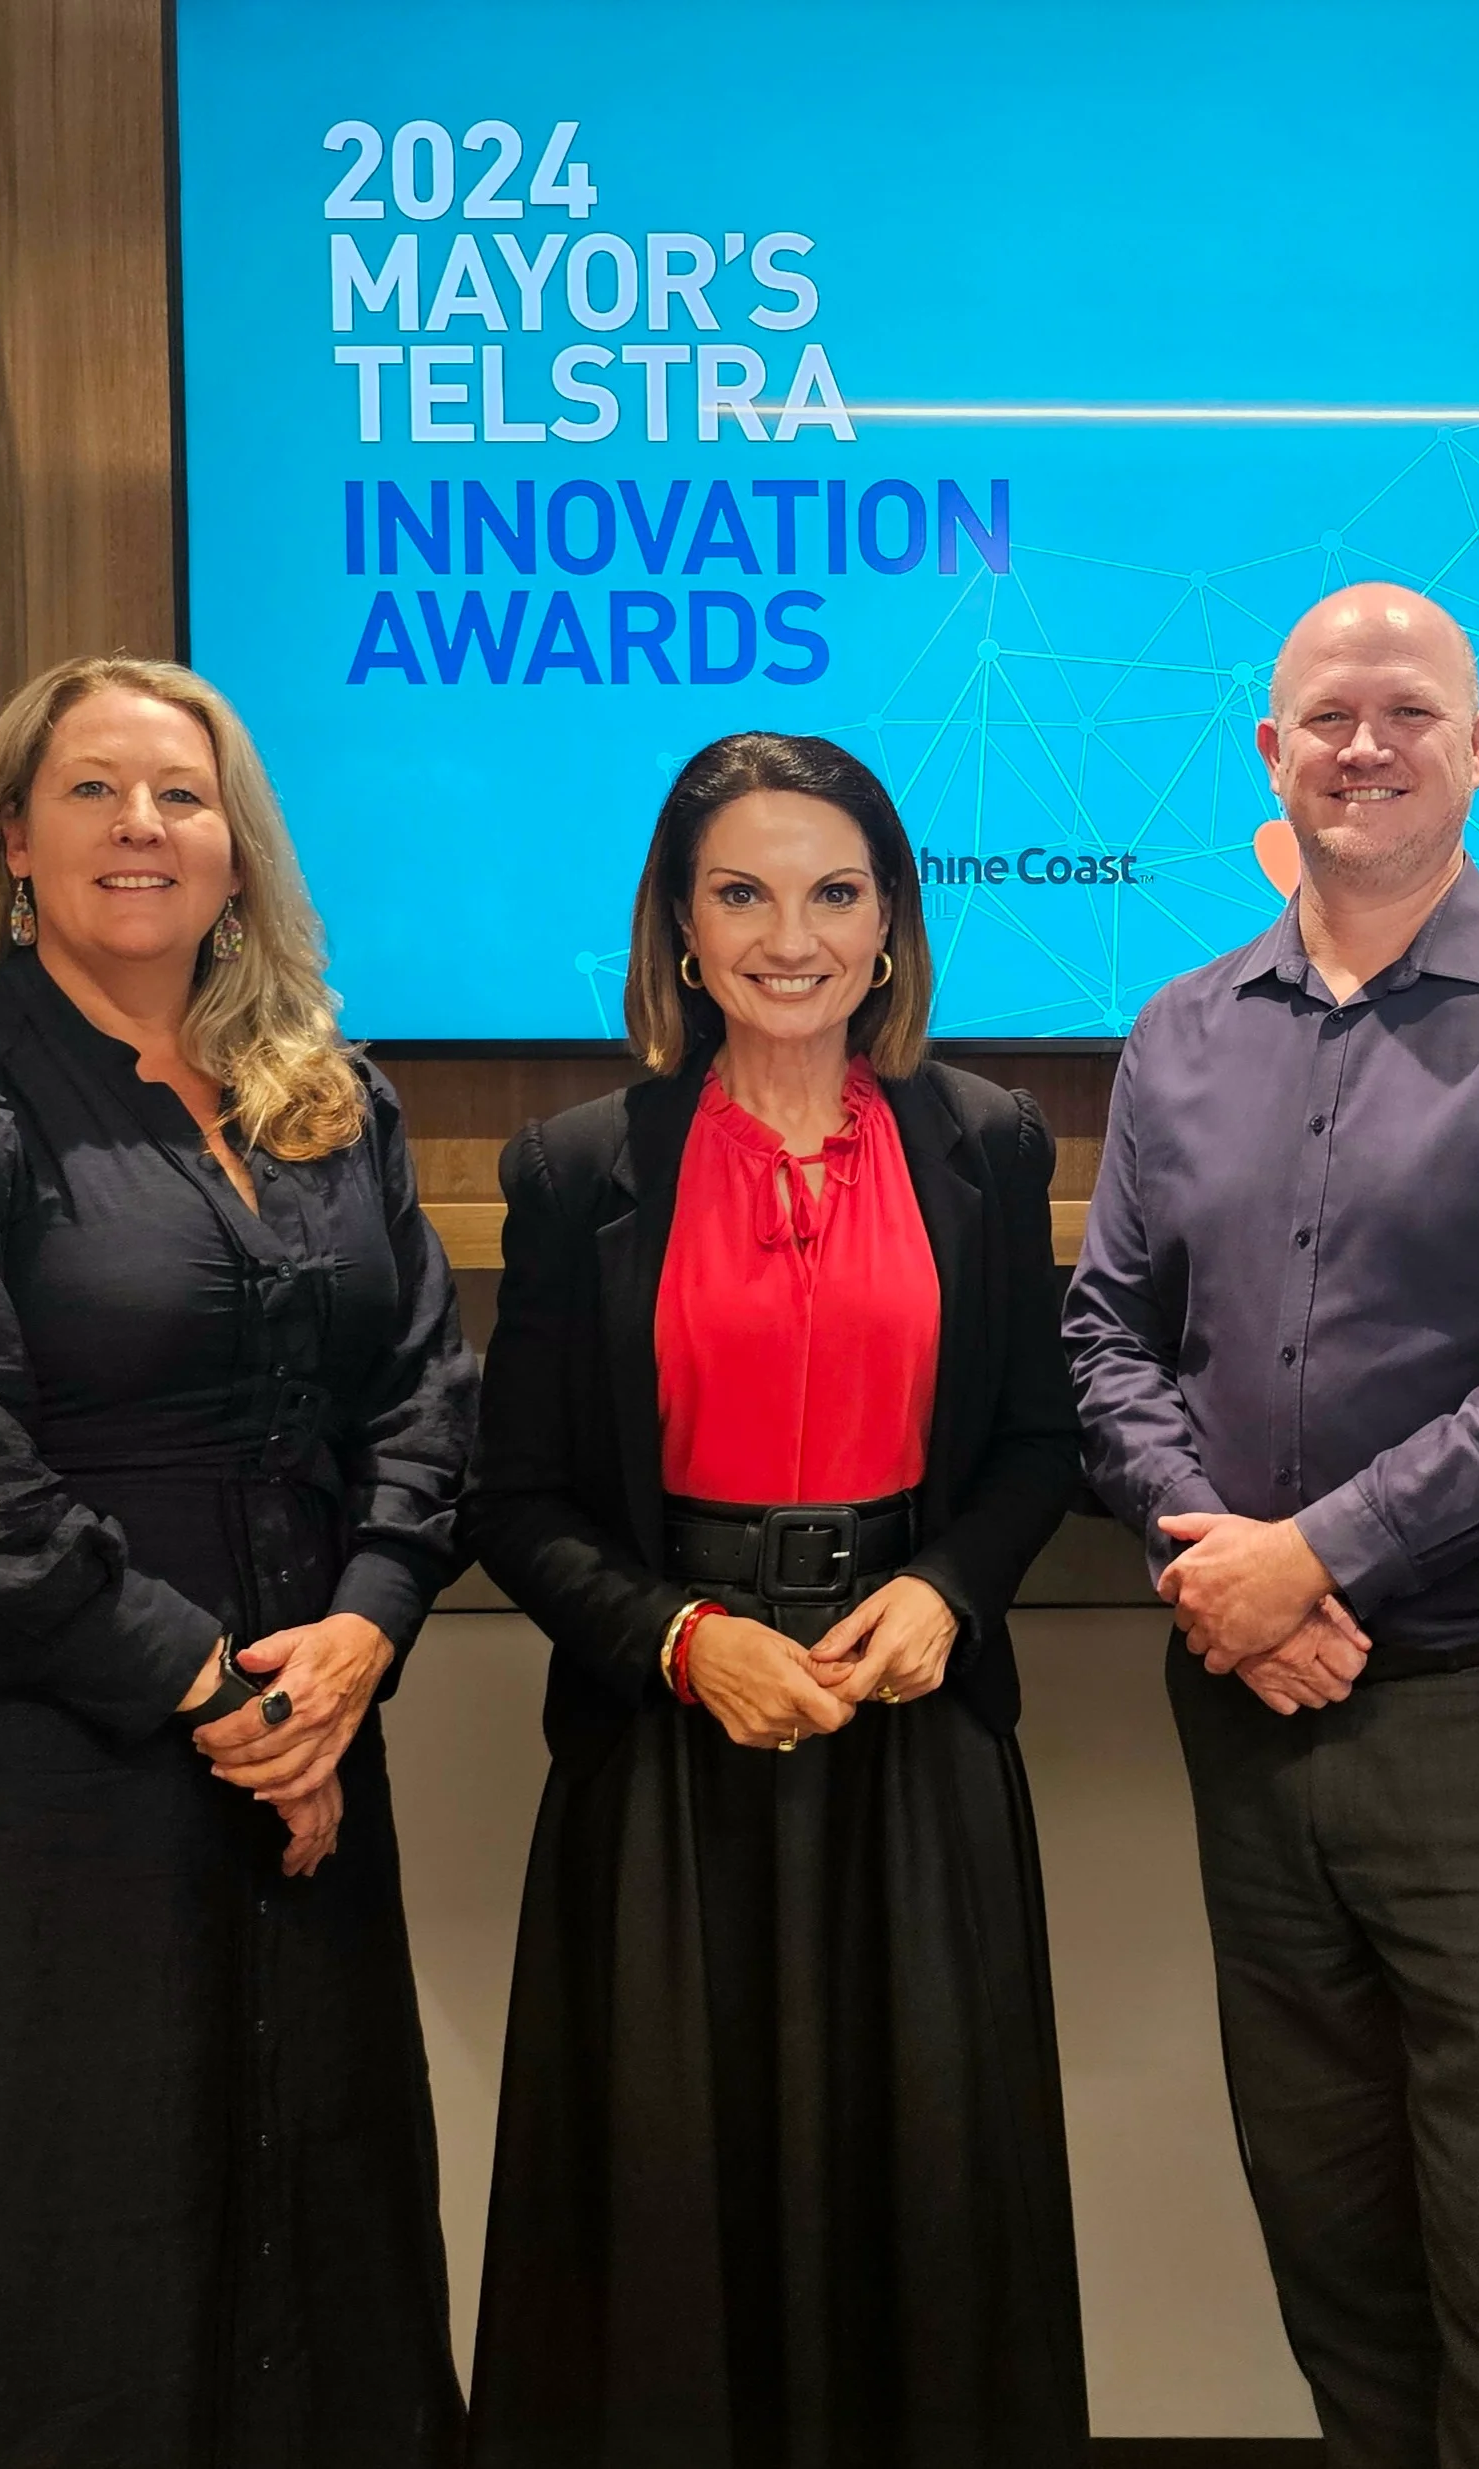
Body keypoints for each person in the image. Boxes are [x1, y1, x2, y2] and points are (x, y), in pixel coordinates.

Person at [1064, 583, 1479, 2469]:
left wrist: (1314, 1553)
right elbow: (1108, 1333)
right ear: (1271, 756)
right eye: (1327, 717)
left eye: (1409, 712)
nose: (1367, 743)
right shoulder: (1182, 1032)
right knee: (1329, 2235)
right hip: (1251, 1709)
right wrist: (1215, 1553)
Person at [0, 656, 476, 2466]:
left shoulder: (328, 1098)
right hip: (33, 1769)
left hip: (305, 1742)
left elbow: (421, 1393)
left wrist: (358, 1636)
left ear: (236, 854)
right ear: (16, 842)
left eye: (180, 797)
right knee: (70, 2235)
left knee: (310, 2207)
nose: (141, 828)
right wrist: (222, 1690)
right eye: (93, 792)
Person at [464, 731, 1088, 2469]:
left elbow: (1043, 1444)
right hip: (668, 1749)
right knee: (668, 2204)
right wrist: (681, 1638)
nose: (788, 935)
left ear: (891, 927)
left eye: (833, 893)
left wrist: (952, 1591)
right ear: (676, 928)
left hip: (913, 1738)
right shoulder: (582, 1168)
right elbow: (511, 1498)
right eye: (739, 892)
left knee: (929, 2200)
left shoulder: (982, 1144)